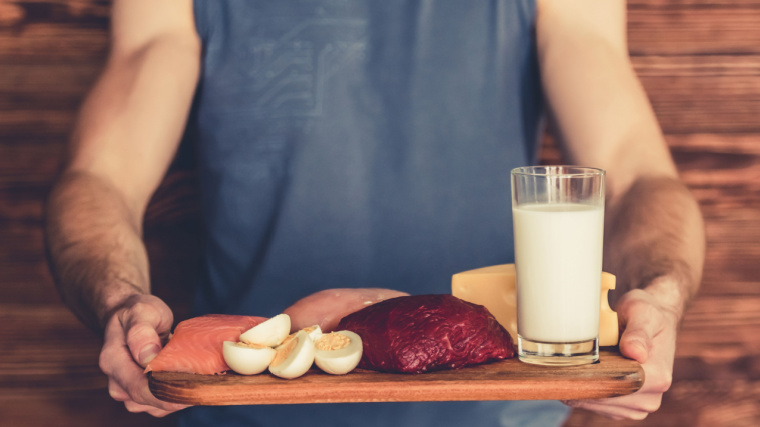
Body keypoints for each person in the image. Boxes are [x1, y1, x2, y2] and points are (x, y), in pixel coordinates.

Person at [45, 0, 705, 425]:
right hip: (243, 416)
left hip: (502, 415)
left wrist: (663, 293)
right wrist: (117, 299)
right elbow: (102, 175)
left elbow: (635, 172)